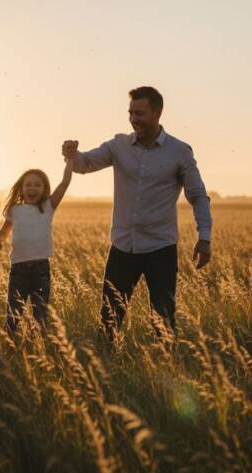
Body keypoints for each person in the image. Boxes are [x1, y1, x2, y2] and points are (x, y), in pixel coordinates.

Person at [61, 86, 212, 341]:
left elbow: (197, 195)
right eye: (131, 113)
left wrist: (204, 237)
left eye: (140, 113)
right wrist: (72, 154)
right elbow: (85, 164)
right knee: (109, 320)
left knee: (163, 322)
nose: (133, 119)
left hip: (160, 249)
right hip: (122, 248)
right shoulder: (118, 145)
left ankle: (165, 371)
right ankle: (106, 373)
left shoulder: (179, 152)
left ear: (158, 112)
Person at [0, 157, 74, 332]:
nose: (32, 188)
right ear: (21, 189)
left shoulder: (48, 206)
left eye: (37, 185)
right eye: (28, 184)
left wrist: (70, 160)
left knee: (40, 317)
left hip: (40, 270)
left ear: (44, 189)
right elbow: (3, 232)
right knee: (13, 315)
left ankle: (40, 350)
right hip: (18, 270)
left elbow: (65, 183)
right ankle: (9, 348)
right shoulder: (15, 210)